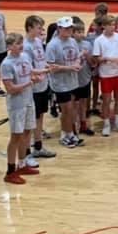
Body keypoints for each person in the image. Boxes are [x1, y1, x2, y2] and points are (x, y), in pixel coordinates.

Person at [1, 33, 39, 185]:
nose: (20, 46)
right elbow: (10, 89)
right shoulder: (6, 64)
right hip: (16, 105)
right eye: (17, 43)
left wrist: (47, 70)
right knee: (16, 137)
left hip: (28, 100)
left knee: (27, 132)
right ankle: (10, 171)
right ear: (9, 47)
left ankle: (22, 164)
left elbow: (31, 72)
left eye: (21, 43)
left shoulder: (25, 57)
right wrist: (29, 83)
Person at [46, 16, 84, 148]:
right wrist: (69, 67)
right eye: (66, 28)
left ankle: (70, 133)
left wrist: (78, 63)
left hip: (72, 81)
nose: (69, 30)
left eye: (70, 28)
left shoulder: (72, 41)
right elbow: (51, 66)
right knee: (66, 109)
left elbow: (77, 56)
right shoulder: (53, 45)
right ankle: (65, 134)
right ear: (59, 29)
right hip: (60, 83)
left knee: (72, 109)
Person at [23, 15, 54, 160]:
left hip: (43, 85)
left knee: (40, 116)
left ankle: (38, 146)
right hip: (33, 88)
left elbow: (41, 59)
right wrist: (37, 75)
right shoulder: (25, 46)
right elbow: (27, 68)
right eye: (38, 28)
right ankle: (27, 151)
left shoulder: (37, 41)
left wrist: (46, 66)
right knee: (31, 119)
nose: (41, 30)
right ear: (30, 28)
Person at [93, 15, 118, 136]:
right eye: (110, 25)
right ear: (104, 26)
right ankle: (106, 124)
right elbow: (97, 59)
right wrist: (109, 59)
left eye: (114, 25)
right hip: (106, 74)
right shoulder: (99, 41)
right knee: (107, 100)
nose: (113, 27)